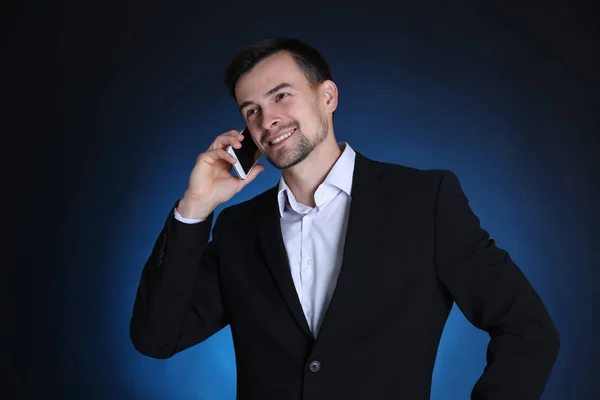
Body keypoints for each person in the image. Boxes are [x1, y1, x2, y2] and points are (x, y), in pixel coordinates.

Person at [129, 37, 560, 399]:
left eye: (281, 95)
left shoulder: (425, 201)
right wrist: (194, 207)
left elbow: (528, 330)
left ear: (327, 96)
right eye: (251, 110)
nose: (268, 119)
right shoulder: (237, 230)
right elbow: (156, 338)